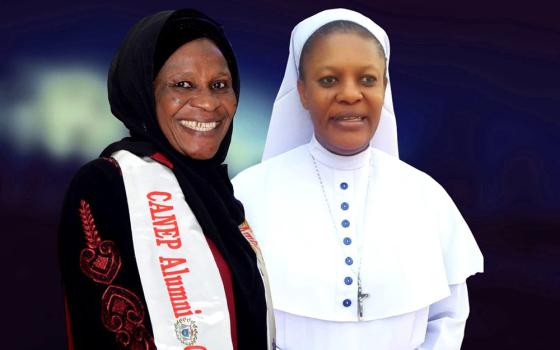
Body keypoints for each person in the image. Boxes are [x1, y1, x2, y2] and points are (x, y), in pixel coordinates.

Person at [232, 8, 483, 350]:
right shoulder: (247, 195)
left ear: (384, 87)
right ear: (302, 92)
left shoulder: (425, 197)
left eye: (367, 79)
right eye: (329, 80)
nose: (350, 94)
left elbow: (448, 316)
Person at [58, 9, 275, 350]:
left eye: (220, 85)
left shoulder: (224, 200)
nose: (207, 102)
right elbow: (112, 329)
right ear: (145, 91)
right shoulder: (107, 186)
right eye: (182, 85)